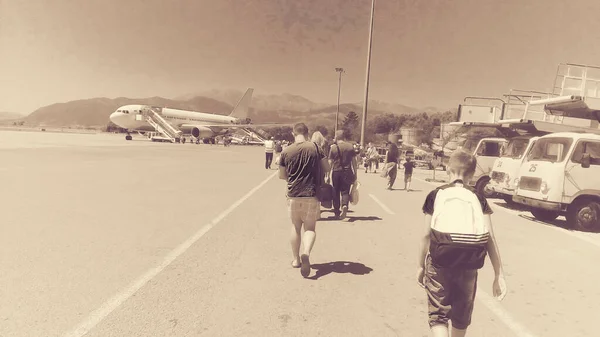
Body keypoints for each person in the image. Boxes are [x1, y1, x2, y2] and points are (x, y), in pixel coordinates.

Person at [417, 149, 507, 337]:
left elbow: (426, 234)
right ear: (472, 174)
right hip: (468, 263)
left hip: (438, 262)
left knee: (438, 316)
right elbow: (489, 236)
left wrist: (420, 266)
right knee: (461, 316)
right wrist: (499, 273)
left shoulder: (435, 194)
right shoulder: (478, 197)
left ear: (448, 168)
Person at [279, 123, 329, 278]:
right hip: (311, 193)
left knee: (295, 226)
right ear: (308, 133)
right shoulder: (315, 148)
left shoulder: (286, 151)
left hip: (293, 193)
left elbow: (281, 175)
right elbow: (327, 168)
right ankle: (306, 253)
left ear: (293, 133)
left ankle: (295, 260)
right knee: (310, 228)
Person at [328, 130, 358, 219]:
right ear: (344, 137)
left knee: (335, 192)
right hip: (347, 171)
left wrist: (327, 175)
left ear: (336, 137)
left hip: (336, 172)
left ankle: (337, 211)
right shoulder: (350, 147)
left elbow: (330, 162)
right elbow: (354, 161)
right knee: (345, 191)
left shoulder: (333, 148)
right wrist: (355, 173)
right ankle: (344, 205)